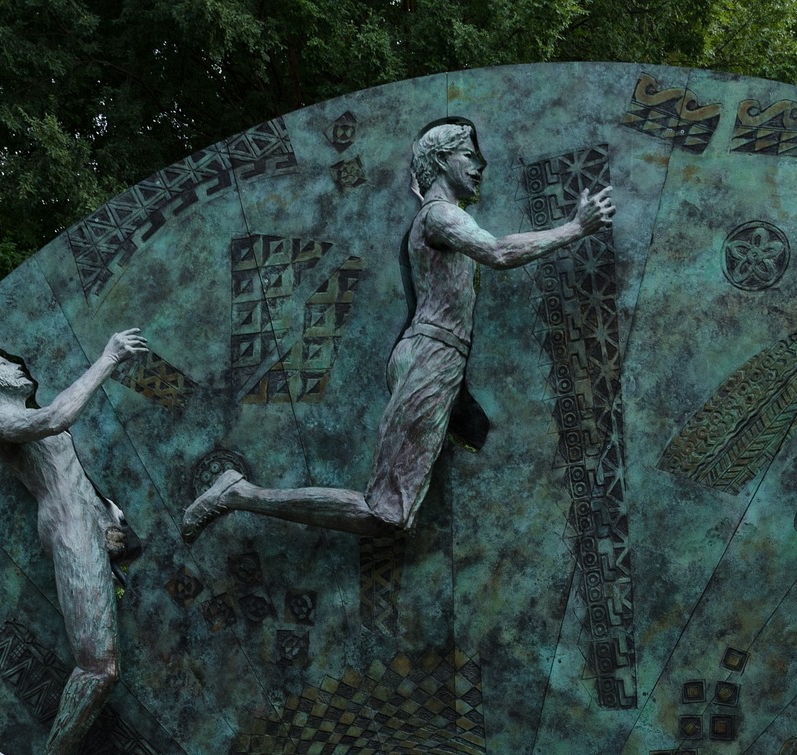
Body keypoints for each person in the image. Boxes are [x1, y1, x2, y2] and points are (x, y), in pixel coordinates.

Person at [181, 119, 615, 541]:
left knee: (446, 460)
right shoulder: (440, 215)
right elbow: (499, 252)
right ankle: (238, 493)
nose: (479, 166)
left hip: (435, 358)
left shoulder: (439, 215)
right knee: (386, 515)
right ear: (441, 161)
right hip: (432, 358)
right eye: (468, 155)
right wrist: (576, 228)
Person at [0, 327, 148, 755]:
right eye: (5, 362)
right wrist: (108, 357)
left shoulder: (22, 413)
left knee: (102, 668)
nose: (20, 366)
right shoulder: (1, 421)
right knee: (98, 669)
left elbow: (69, 467)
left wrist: (108, 518)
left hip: (91, 528)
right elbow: (59, 417)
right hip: (69, 532)